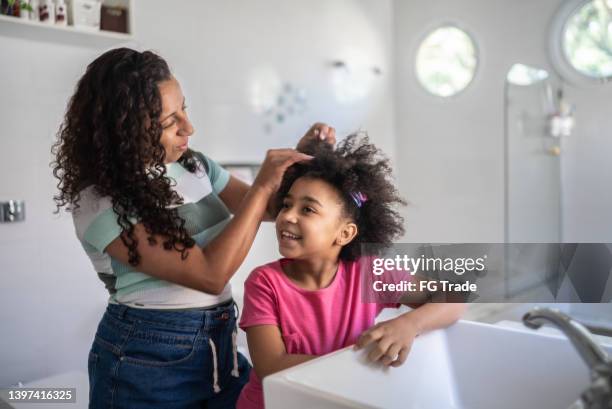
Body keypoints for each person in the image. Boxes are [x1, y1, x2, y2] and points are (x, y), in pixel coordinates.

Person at [51, 47, 335, 409]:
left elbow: (266, 209)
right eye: (170, 121)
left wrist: (300, 161)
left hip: (220, 344)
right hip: (146, 359)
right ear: (124, 128)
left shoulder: (195, 165)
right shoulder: (99, 200)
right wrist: (263, 184)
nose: (189, 127)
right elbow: (209, 274)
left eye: (184, 108)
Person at [237, 134, 466, 409]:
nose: (287, 216)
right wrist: (358, 362)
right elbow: (271, 366)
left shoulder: (370, 275)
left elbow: (455, 296)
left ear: (345, 233)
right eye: (286, 204)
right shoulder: (264, 283)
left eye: (307, 209)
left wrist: (408, 325)